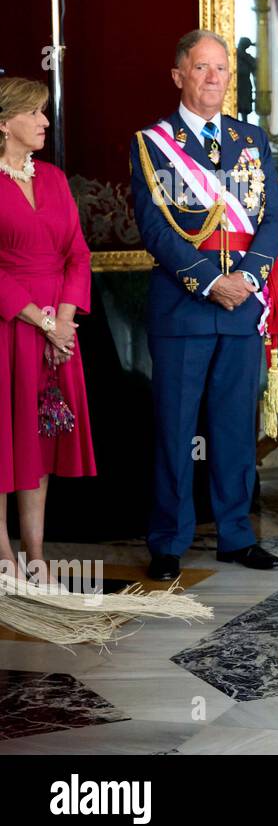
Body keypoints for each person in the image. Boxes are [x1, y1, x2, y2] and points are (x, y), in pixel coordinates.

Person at [128, 30, 278, 581]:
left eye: (221, 68)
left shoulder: (251, 140)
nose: (214, 77)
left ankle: (236, 535)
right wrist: (208, 283)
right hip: (184, 308)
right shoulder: (154, 143)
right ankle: (169, 539)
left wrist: (245, 278)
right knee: (176, 430)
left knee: (235, 427)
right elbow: (155, 228)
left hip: (244, 305)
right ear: (179, 75)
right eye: (201, 68)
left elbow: (275, 219)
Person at [0, 76, 96, 584]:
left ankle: (35, 554)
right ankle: (4, 559)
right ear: (4, 123)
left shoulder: (56, 179)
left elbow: (77, 254)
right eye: (35, 113)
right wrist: (39, 317)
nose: (44, 121)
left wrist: (63, 318)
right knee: (3, 439)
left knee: (38, 438)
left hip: (56, 334)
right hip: (7, 328)